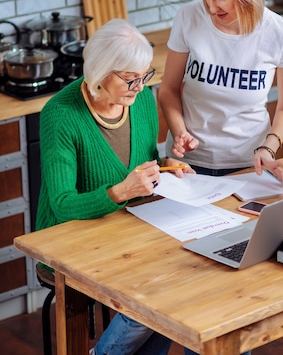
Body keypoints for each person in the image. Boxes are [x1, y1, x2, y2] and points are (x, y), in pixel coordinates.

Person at [36, 18, 193, 355]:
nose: (140, 86)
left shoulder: (143, 101)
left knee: (183, 277)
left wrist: (167, 169)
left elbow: (144, 166)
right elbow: (62, 203)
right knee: (157, 291)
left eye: (145, 75)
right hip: (70, 242)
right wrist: (121, 191)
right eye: (130, 78)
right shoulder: (60, 115)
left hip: (129, 231)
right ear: (100, 73)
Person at [159, 0, 283, 179]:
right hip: (187, 165)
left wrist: (268, 147)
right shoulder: (189, 18)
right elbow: (168, 89)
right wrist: (180, 133)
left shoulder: (282, 35)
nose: (210, 7)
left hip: (249, 165)